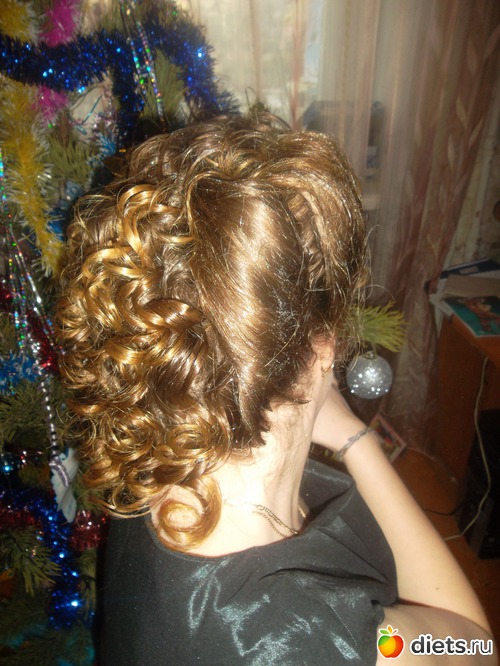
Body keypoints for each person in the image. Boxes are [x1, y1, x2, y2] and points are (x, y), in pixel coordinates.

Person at [57, 115, 495, 665]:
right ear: (322, 346)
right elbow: (472, 642)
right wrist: (358, 440)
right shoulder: (312, 641)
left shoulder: (156, 460)